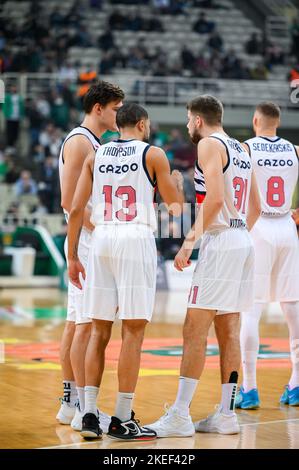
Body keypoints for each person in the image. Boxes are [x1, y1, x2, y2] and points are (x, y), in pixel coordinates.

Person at [67, 103, 184, 440]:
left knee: (98, 331)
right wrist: (175, 180)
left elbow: (76, 209)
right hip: (134, 237)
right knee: (133, 331)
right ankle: (120, 418)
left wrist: (74, 255)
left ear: (118, 125)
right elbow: (175, 208)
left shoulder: (96, 154)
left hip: (101, 238)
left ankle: (89, 414)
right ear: (143, 124)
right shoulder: (153, 154)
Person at [146, 95, 261, 437]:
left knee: (194, 329)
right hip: (242, 239)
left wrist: (190, 241)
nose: (186, 126)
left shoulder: (209, 144)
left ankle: (180, 414)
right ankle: (226, 414)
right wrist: (237, 234)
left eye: (187, 120)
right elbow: (255, 206)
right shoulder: (242, 148)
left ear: (197, 120)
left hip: (222, 240)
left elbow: (212, 200)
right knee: (229, 331)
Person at [56, 81, 124, 432]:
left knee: (75, 323)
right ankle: (85, 408)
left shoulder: (94, 142)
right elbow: (70, 202)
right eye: (115, 108)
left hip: (87, 238)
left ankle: (70, 403)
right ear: (98, 108)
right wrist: (106, 232)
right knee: (86, 325)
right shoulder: (81, 141)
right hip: (85, 240)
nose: (118, 115)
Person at [236, 102, 299, 409]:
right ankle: (297, 383)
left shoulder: (245, 149)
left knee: (251, 310)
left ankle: (249, 389)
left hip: (257, 227)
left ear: (255, 120)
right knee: (293, 307)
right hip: (287, 226)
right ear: (278, 122)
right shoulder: (295, 149)